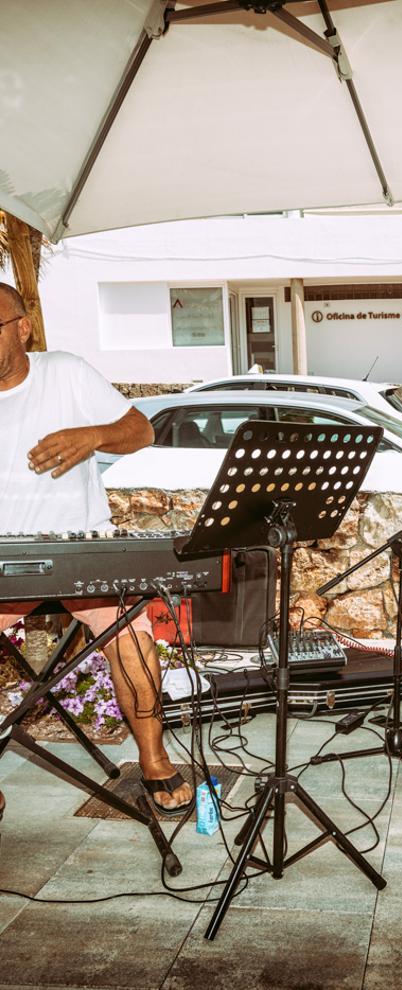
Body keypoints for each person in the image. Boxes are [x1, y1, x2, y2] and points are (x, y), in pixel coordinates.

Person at [0, 283, 193, 817]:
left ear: (22, 327)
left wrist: (92, 435)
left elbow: (141, 430)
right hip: (1, 558)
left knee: (132, 636)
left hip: (80, 546)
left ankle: (153, 759)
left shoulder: (64, 371)